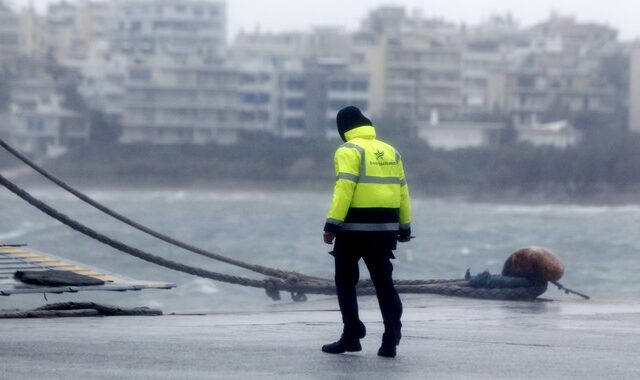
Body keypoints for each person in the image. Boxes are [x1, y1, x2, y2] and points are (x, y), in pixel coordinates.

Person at [322, 106, 411, 358]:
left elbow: (344, 188)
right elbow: (402, 190)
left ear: (344, 129)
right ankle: (391, 337)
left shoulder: (349, 150)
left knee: (345, 281)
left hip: (353, 229)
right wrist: (404, 227)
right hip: (384, 229)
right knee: (384, 283)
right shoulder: (391, 151)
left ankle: (352, 334)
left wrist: (332, 224)